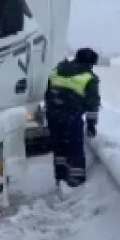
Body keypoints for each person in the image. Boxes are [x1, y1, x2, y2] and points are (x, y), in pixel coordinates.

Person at [45, 47, 101, 187]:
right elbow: (92, 104)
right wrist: (91, 125)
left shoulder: (57, 70)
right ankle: (76, 182)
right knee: (74, 149)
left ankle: (61, 177)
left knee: (59, 147)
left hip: (53, 116)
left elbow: (47, 93)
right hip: (71, 117)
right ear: (90, 62)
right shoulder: (89, 78)